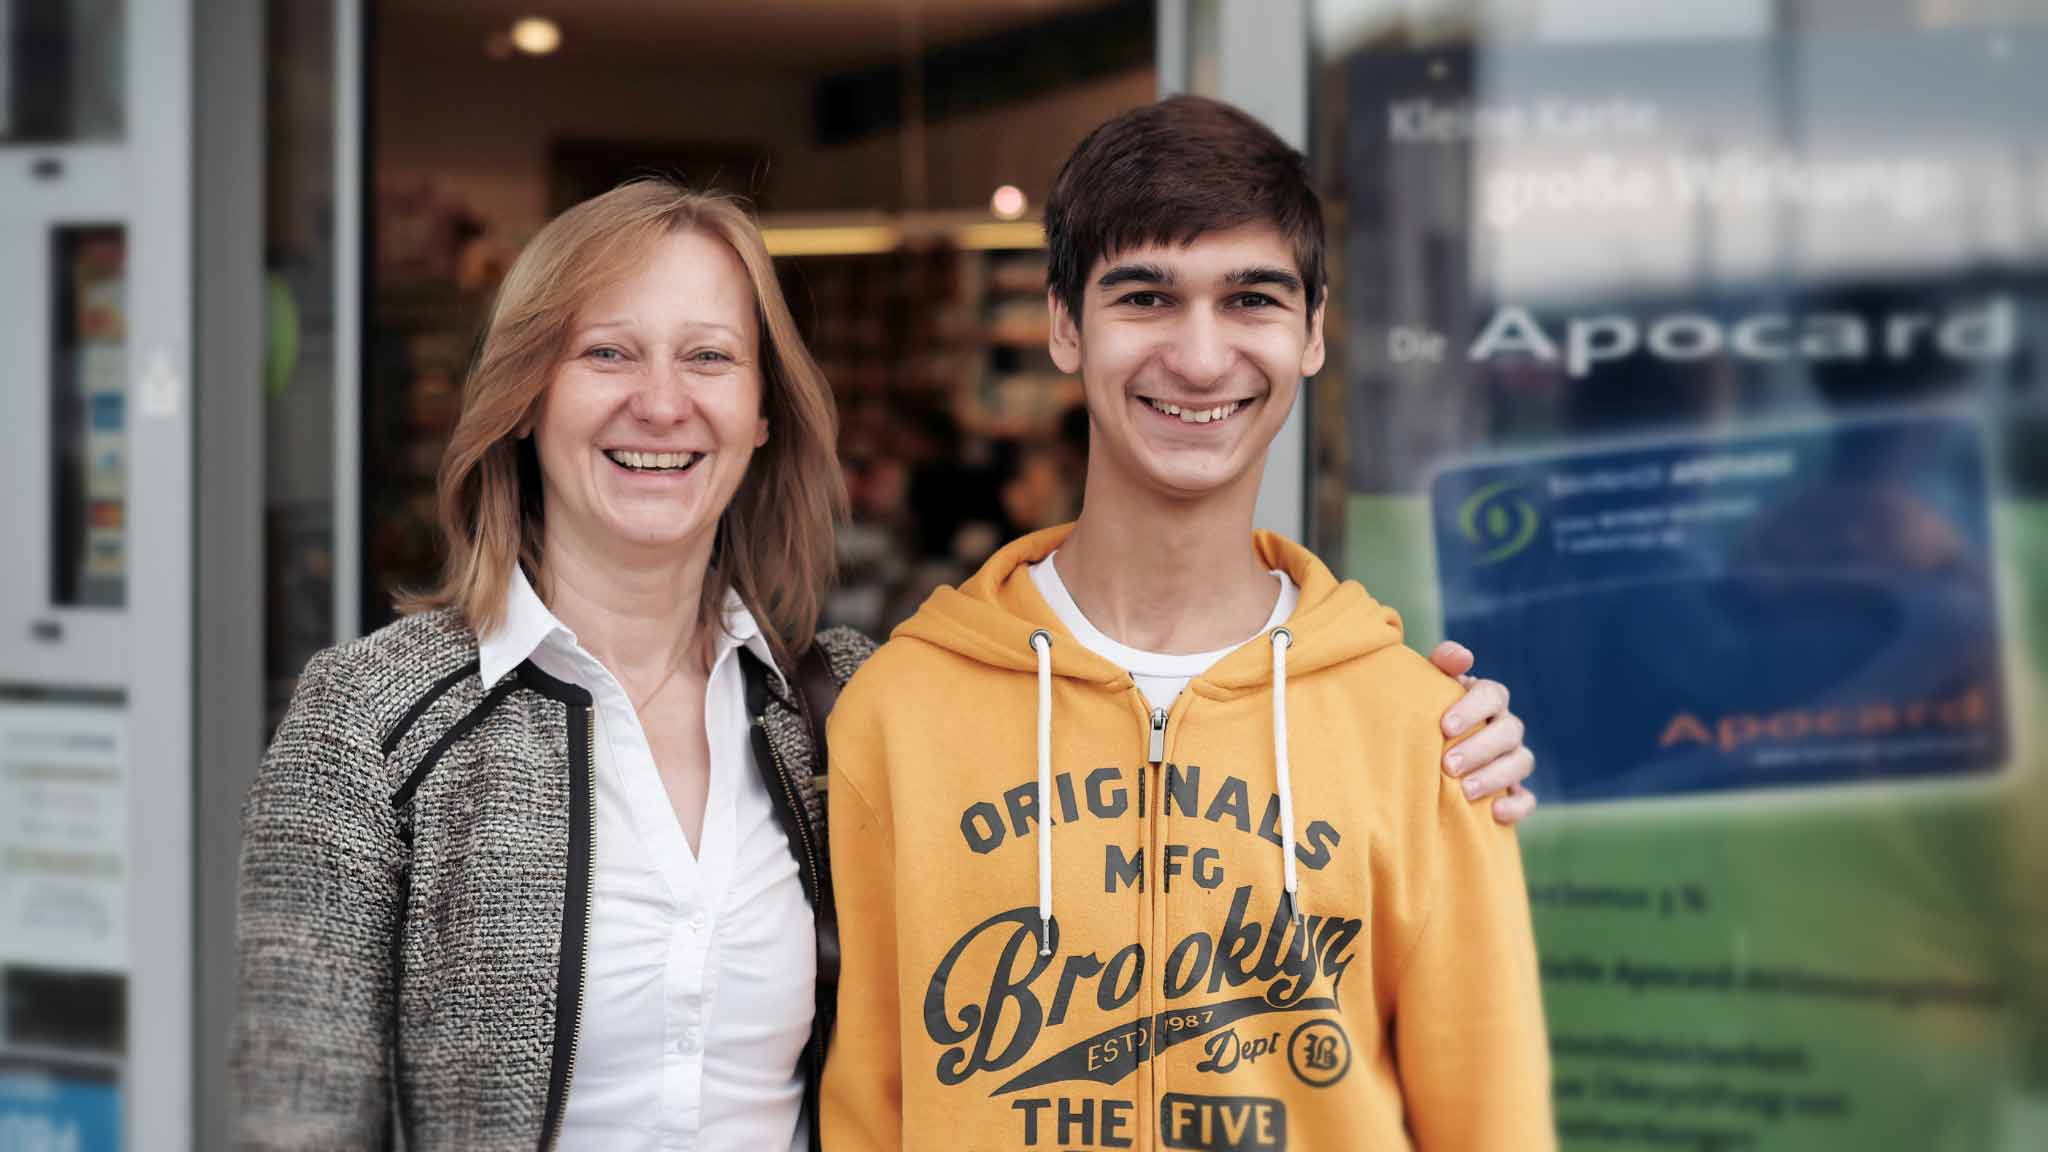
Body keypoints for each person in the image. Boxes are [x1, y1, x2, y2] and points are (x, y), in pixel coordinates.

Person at [233, 180, 1536, 1151]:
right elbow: (300, 1121)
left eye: (708, 358)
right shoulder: (376, 722)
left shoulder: (842, 704)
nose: (661, 402)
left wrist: (1408, 721)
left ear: (761, 414)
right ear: (526, 393)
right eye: (607, 353)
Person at [821, 97, 1552, 1151]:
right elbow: (868, 1107)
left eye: (1250, 298)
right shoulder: (901, 709)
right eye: (1146, 297)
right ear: (1065, 326)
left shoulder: (1425, 734)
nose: (1201, 358)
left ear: (1311, 333)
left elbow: (1493, 1123)